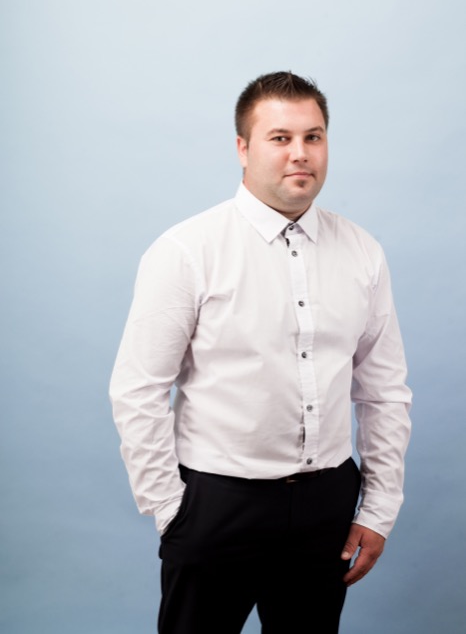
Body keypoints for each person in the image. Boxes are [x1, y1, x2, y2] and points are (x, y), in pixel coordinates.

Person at [109, 71, 412, 634]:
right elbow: (138, 389)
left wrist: (378, 509)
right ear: (243, 148)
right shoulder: (186, 251)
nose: (300, 153)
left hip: (326, 505)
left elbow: (384, 391)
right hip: (216, 505)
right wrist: (171, 510)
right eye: (280, 138)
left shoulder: (362, 251)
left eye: (313, 137)